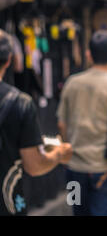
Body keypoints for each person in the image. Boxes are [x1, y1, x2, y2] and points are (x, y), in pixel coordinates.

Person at [57, 31, 107, 216]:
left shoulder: (72, 83)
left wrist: (69, 152)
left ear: (88, 54)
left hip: (75, 168)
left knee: (78, 212)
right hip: (103, 169)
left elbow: (62, 124)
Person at [0, 29, 72, 216]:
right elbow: (33, 165)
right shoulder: (19, 103)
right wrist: (59, 154)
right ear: (8, 61)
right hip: (6, 203)